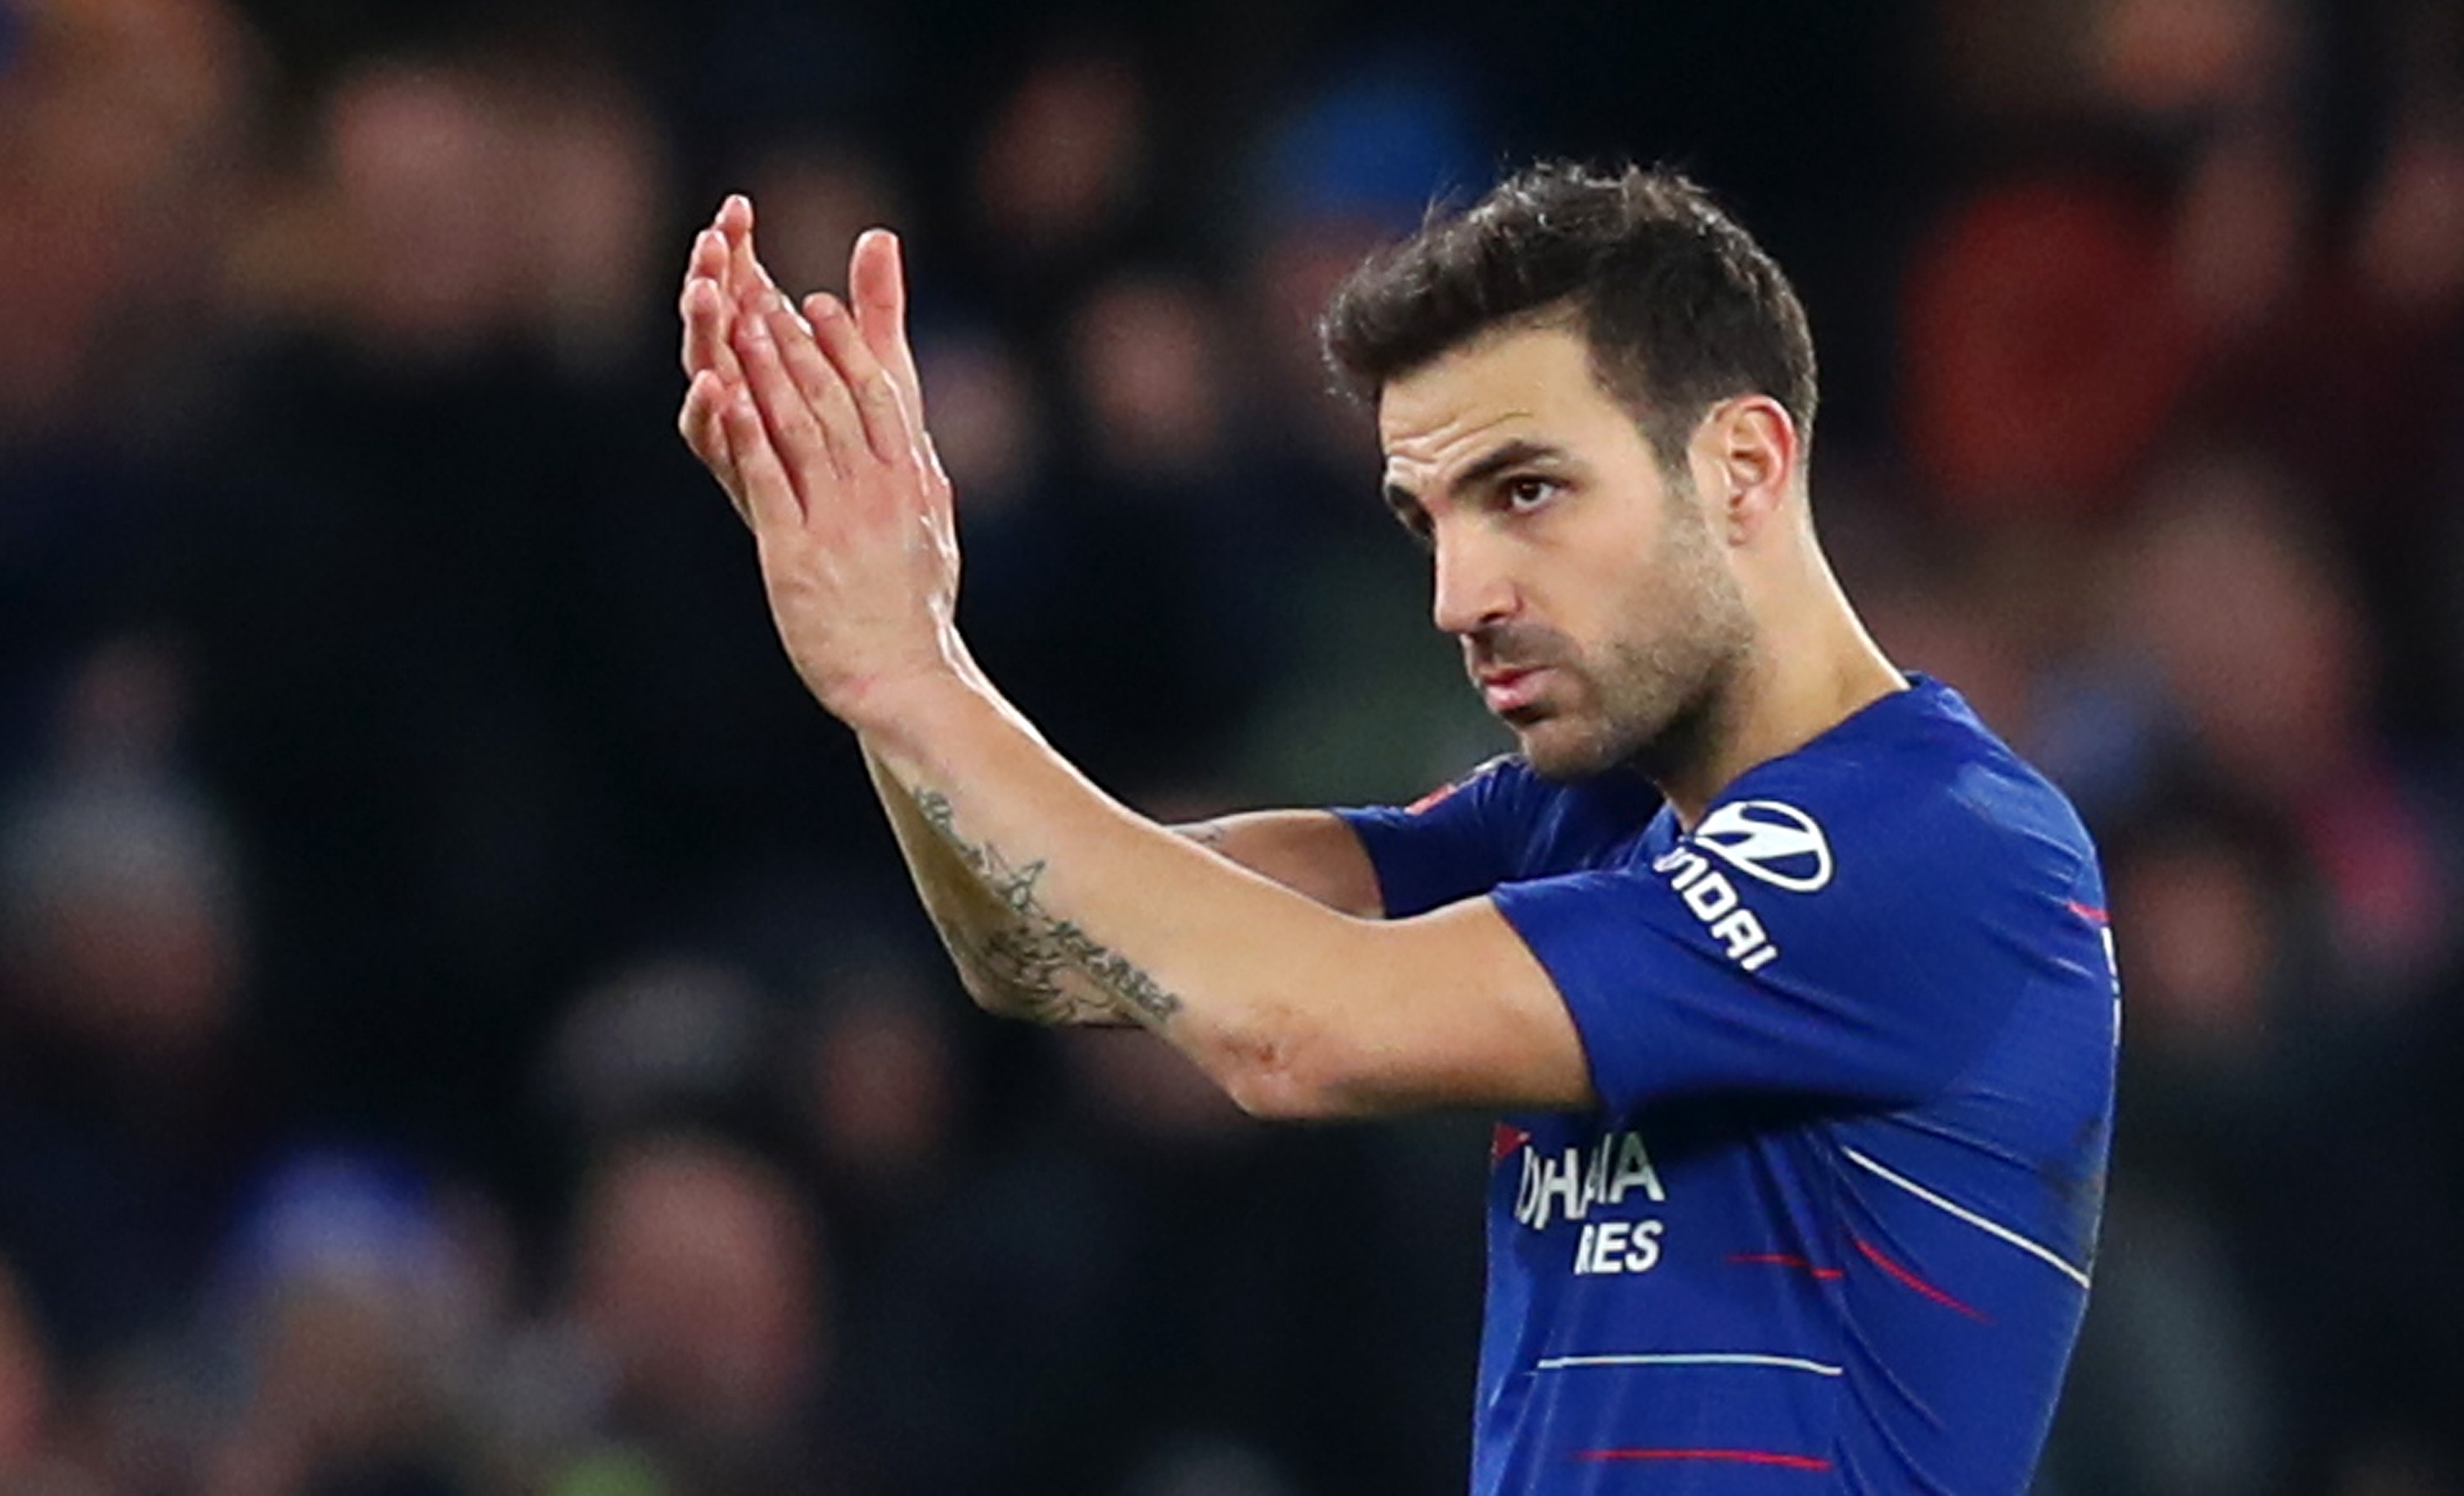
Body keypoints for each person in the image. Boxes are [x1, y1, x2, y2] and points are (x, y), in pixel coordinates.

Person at [673, 164, 2119, 1495]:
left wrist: (915, 684)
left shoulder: (1944, 847)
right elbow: (1047, 950)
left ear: (1742, 464)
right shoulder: (1576, 820)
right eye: (1428, 519)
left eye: (1526, 490)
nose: (1461, 594)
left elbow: (1298, 1029)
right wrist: (895, 651)